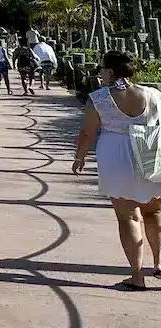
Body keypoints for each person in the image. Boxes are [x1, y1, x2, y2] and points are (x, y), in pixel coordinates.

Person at [73, 50, 161, 290]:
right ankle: (159, 265)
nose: (99, 73)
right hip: (149, 151)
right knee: (153, 213)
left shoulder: (99, 98)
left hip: (116, 155)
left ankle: (137, 275)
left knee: (128, 216)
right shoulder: (153, 94)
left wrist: (80, 156)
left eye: (101, 68)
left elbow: (89, 132)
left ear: (110, 71)